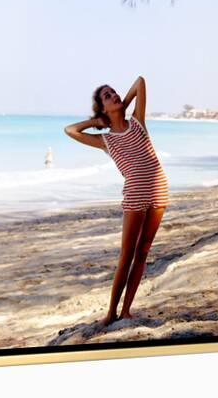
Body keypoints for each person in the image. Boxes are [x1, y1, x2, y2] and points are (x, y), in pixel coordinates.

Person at [64, 76, 168, 326]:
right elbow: (70, 131)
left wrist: (122, 104)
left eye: (114, 92)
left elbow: (141, 82)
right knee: (126, 255)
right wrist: (96, 121)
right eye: (107, 96)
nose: (114, 95)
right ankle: (111, 312)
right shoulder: (105, 140)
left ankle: (127, 311)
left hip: (159, 189)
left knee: (143, 253)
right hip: (134, 193)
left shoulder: (138, 122)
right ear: (103, 108)